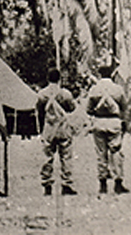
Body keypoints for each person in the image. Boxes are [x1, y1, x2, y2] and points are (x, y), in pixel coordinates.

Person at [86, 65, 130, 194]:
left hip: (99, 122)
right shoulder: (118, 89)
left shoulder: (94, 89)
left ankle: (103, 184)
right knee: (116, 152)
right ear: (112, 75)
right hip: (114, 121)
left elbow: (88, 109)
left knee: (101, 153)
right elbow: (124, 106)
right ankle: (118, 183)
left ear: (99, 75)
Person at [37, 68, 78, 196]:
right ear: (59, 79)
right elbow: (71, 108)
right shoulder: (65, 94)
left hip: (49, 128)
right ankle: (66, 184)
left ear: (48, 78)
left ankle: (47, 184)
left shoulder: (42, 94)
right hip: (63, 128)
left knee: (47, 157)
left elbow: (39, 110)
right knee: (66, 157)